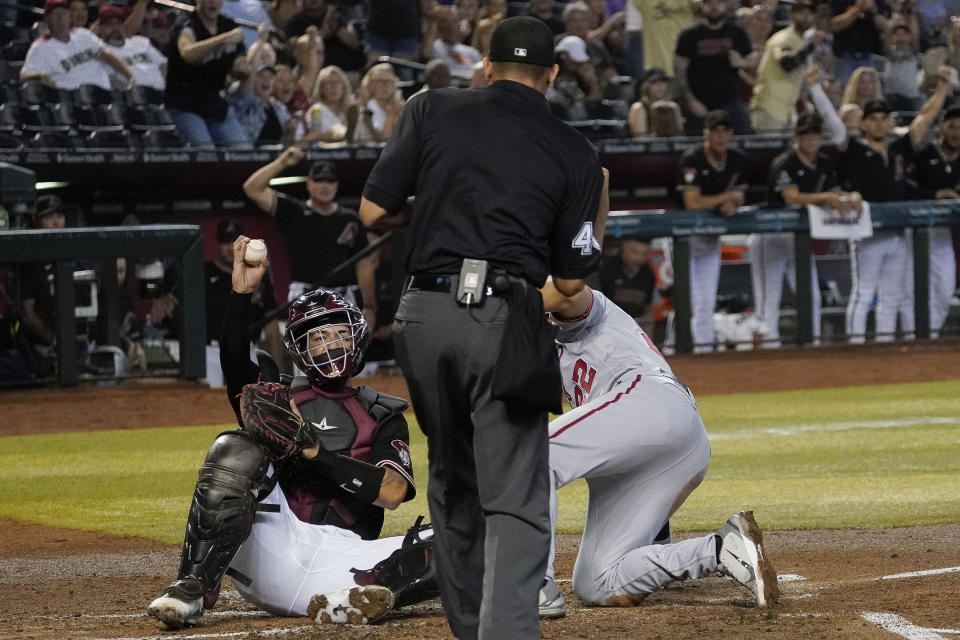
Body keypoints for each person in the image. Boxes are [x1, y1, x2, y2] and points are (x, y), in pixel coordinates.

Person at [358, 16, 607, 640]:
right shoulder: (574, 148)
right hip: (503, 317)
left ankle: (471, 629)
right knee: (516, 496)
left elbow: (372, 211)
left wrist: (439, 209)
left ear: (487, 65)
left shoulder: (429, 108)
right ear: (552, 75)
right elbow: (573, 282)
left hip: (423, 317)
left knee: (453, 478)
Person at [146, 236, 436, 629]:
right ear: (301, 350)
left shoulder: (383, 412)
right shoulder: (277, 398)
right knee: (236, 445)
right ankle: (192, 588)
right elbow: (234, 361)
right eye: (316, 337)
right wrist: (241, 293)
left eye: (336, 333)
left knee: (457, 534)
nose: (329, 343)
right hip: (272, 550)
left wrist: (315, 452)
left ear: (355, 336)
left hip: (345, 564)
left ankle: (347, 602)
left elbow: (391, 493)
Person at [536, 281, 779, 618]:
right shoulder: (542, 345)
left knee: (529, 455)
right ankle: (720, 550)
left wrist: (509, 298)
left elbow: (567, 292)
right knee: (596, 583)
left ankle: (530, 580)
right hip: (670, 450)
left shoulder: (580, 311)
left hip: (650, 401)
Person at [808, 63, 954, 342]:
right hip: (866, 233)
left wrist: (943, 89)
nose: (878, 122)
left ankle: (885, 351)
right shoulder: (853, 148)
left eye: (883, 118)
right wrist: (815, 88)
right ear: (863, 123)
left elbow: (925, 116)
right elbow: (833, 121)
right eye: (872, 118)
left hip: (898, 234)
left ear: (890, 122)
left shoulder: (899, 147)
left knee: (892, 295)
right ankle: (855, 348)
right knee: (863, 293)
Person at [750, 96, 862, 348]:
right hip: (771, 236)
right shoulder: (784, 162)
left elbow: (836, 191)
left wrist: (851, 196)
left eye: (815, 135)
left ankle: (811, 345)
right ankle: (767, 349)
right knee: (769, 298)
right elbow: (792, 197)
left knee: (810, 294)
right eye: (806, 135)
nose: (811, 140)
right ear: (797, 137)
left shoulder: (823, 162)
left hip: (799, 241)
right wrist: (827, 196)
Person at [242, 148, 377, 328]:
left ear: (337, 185)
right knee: (308, 351)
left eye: (330, 180)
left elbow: (364, 263)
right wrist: (282, 163)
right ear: (308, 184)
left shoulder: (350, 219)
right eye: (319, 180)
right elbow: (252, 188)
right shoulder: (293, 211)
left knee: (345, 352)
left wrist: (369, 305)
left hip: (344, 296)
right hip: (305, 294)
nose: (325, 185)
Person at [675, 109, 746, 353]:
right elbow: (692, 202)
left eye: (726, 131)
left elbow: (741, 195)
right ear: (707, 133)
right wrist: (727, 197)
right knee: (689, 300)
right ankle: (677, 349)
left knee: (705, 302)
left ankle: (704, 352)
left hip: (710, 238)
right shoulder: (692, 158)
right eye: (716, 131)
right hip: (682, 238)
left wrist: (734, 202)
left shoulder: (736, 158)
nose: (721, 136)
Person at [906, 103, 960, 338]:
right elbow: (905, 187)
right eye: (951, 126)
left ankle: (930, 336)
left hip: (943, 232)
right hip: (915, 228)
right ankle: (911, 337)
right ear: (941, 127)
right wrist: (934, 196)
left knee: (945, 287)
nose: (956, 133)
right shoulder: (923, 156)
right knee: (910, 288)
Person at [164, 0, 250, 148]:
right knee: (206, 154)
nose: (213, 3)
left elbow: (240, 68)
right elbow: (187, 53)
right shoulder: (188, 22)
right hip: (184, 104)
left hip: (214, 103)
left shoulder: (228, 25)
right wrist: (222, 40)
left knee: (243, 151)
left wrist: (249, 62)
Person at [204, 219, 283, 368]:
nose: (230, 248)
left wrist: (278, 370)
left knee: (247, 391)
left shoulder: (257, 275)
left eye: (235, 242)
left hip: (248, 350)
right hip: (211, 352)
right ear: (217, 244)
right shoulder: (205, 273)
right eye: (225, 242)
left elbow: (271, 323)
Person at [674, 0, 755, 134]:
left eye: (718, 2)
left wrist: (742, 62)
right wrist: (691, 101)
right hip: (699, 106)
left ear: (725, 5)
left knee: (744, 139)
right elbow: (679, 71)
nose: (714, 7)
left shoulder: (736, 32)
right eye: (709, 3)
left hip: (731, 102)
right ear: (702, 6)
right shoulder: (688, 35)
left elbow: (753, 61)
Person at [20, 0, 135, 90]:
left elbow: (105, 54)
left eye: (63, 13)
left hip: (105, 95)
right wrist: (40, 76)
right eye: (55, 14)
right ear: (47, 19)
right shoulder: (40, 47)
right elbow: (24, 76)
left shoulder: (82, 34)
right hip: (73, 102)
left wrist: (129, 75)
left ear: (69, 16)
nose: (60, 18)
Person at [749, 0, 825, 133]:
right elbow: (787, 64)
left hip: (787, 110)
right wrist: (811, 45)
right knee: (768, 151)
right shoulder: (784, 38)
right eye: (802, 13)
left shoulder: (800, 41)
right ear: (792, 16)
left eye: (810, 14)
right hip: (769, 107)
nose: (806, 17)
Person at [98, 4, 167, 91]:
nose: (115, 27)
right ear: (100, 29)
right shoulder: (101, 51)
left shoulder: (141, 42)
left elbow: (163, 65)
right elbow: (112, 80)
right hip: (135, 98)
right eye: (109, 24)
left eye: (118, 23)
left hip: (163, 94)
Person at [597, 238, 656, 333]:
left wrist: (649, 342)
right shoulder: (607, 269)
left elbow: (648, 310)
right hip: (608, 328)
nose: (639, 258)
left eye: (644, 254)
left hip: (635, 330)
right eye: (635, 252)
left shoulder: (648, 275)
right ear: (624, 249)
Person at [304, 65, 353, 144]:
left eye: (337, 82)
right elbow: (315, 135)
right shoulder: (316, 110)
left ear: (343, 86)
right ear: (321, 88)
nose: (333, 87)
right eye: (328, 83)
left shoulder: (350, 109)